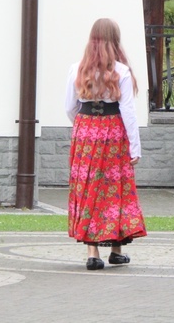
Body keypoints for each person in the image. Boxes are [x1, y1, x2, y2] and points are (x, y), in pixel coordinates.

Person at [64, 18, 146, 270]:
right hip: (113, 132)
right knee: (113, 188)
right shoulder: (121, 71)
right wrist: (135, 146)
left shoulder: (77, 69)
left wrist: (83, 126)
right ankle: (116, 250)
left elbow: (69, 107)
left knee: (88, 186)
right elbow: (128, 112)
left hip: (85, 131)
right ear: (115, 41)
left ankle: (93, 253)